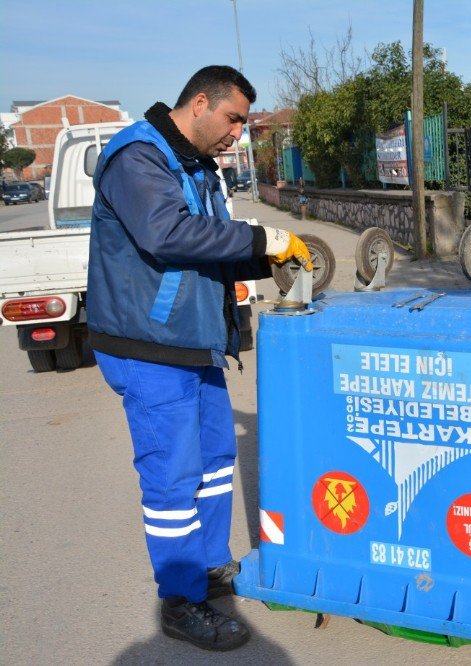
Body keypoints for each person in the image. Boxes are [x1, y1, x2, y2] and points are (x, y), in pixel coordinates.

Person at [87, 65, 312, 652]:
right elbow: (166, 234)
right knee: (172, 475)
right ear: (200, 103)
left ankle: (209, 570)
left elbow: (210, 245)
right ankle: (180, 600)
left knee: (214, 461)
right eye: (234, 118)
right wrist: (261, 238)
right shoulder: (138, 157)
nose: (239, 132)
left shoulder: (196, 167)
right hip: (149, 347)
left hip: (195, 341)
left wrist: (268, 259)